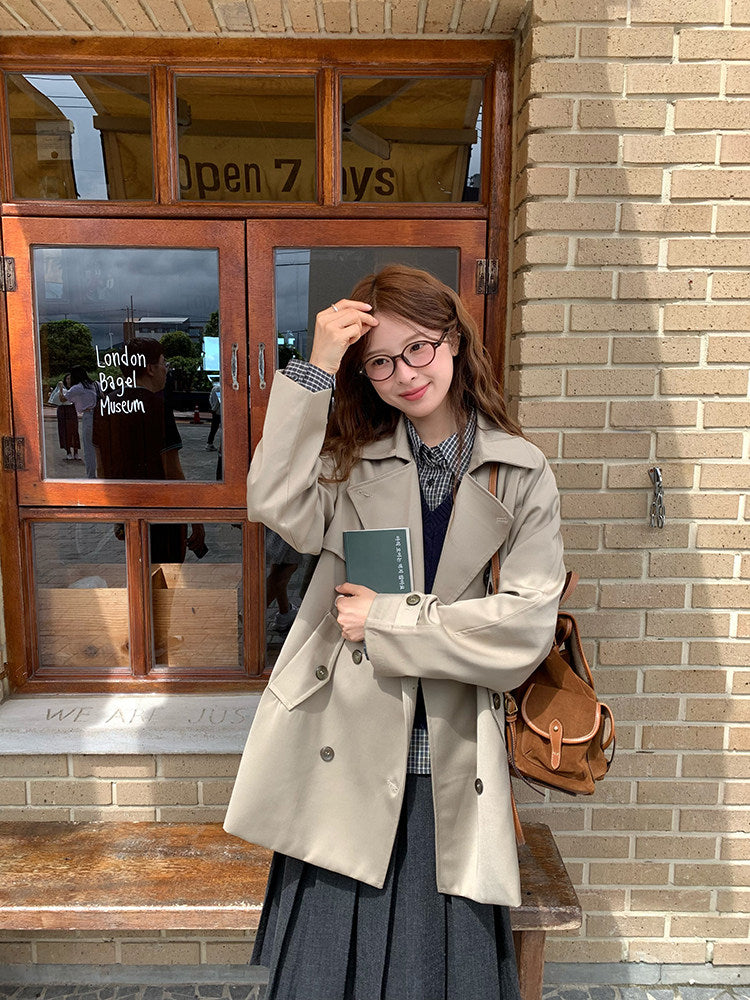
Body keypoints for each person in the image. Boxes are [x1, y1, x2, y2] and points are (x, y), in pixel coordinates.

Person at [224, 265, 565, 1000]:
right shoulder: (353, 463)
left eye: (418, 348)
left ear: (454, 341)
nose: (404, 374)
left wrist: (385, 619)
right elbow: (273, 500)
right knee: (323, 981)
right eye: (379, 361)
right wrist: (317, 365)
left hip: (450, 762)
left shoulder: (520, 471)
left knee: (433, 977)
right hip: (343, 754)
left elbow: (526, 626)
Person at [92, 336, 205, 563]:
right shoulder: (157, 407)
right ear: (150, 369)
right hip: (162, 515)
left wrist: (118, 515)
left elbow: (102, 469)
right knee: (165, 575)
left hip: (128, 511)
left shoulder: (105, 406)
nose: (166, 369)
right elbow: (173, 473)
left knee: (139, 573)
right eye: (164, 362)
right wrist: (196, 519)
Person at [57, 365, 98, 477]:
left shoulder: (77, 388)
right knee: (99, 447)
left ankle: (91, 475)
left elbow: (62, 399)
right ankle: (102, 473)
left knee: (89, 448)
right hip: (98, 415)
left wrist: (60, 388)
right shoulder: (95, 384)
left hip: (88, 416)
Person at [51, 373, 81, 462]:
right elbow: (56, 399)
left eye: (70, 379)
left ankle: (76, 451)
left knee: (74, 431)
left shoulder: (74, 389)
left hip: (71, 410)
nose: (69, 380)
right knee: (64, 431)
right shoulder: (61, 388)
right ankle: (68, 451)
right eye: (67, 379)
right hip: (62, 410)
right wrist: (60, 389)